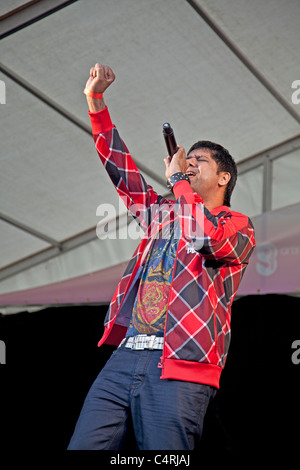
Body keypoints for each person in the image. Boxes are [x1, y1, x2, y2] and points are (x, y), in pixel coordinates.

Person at [68, 63, 255, 450]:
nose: (187, 166)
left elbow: (205, 236)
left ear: (224, 178)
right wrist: (96, 102)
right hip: (125, 358)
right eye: (186, 162)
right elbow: (120, 169)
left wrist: (177, 182)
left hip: (181, 369)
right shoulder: (163, 213)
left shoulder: (237, 224)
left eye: (198, 161)